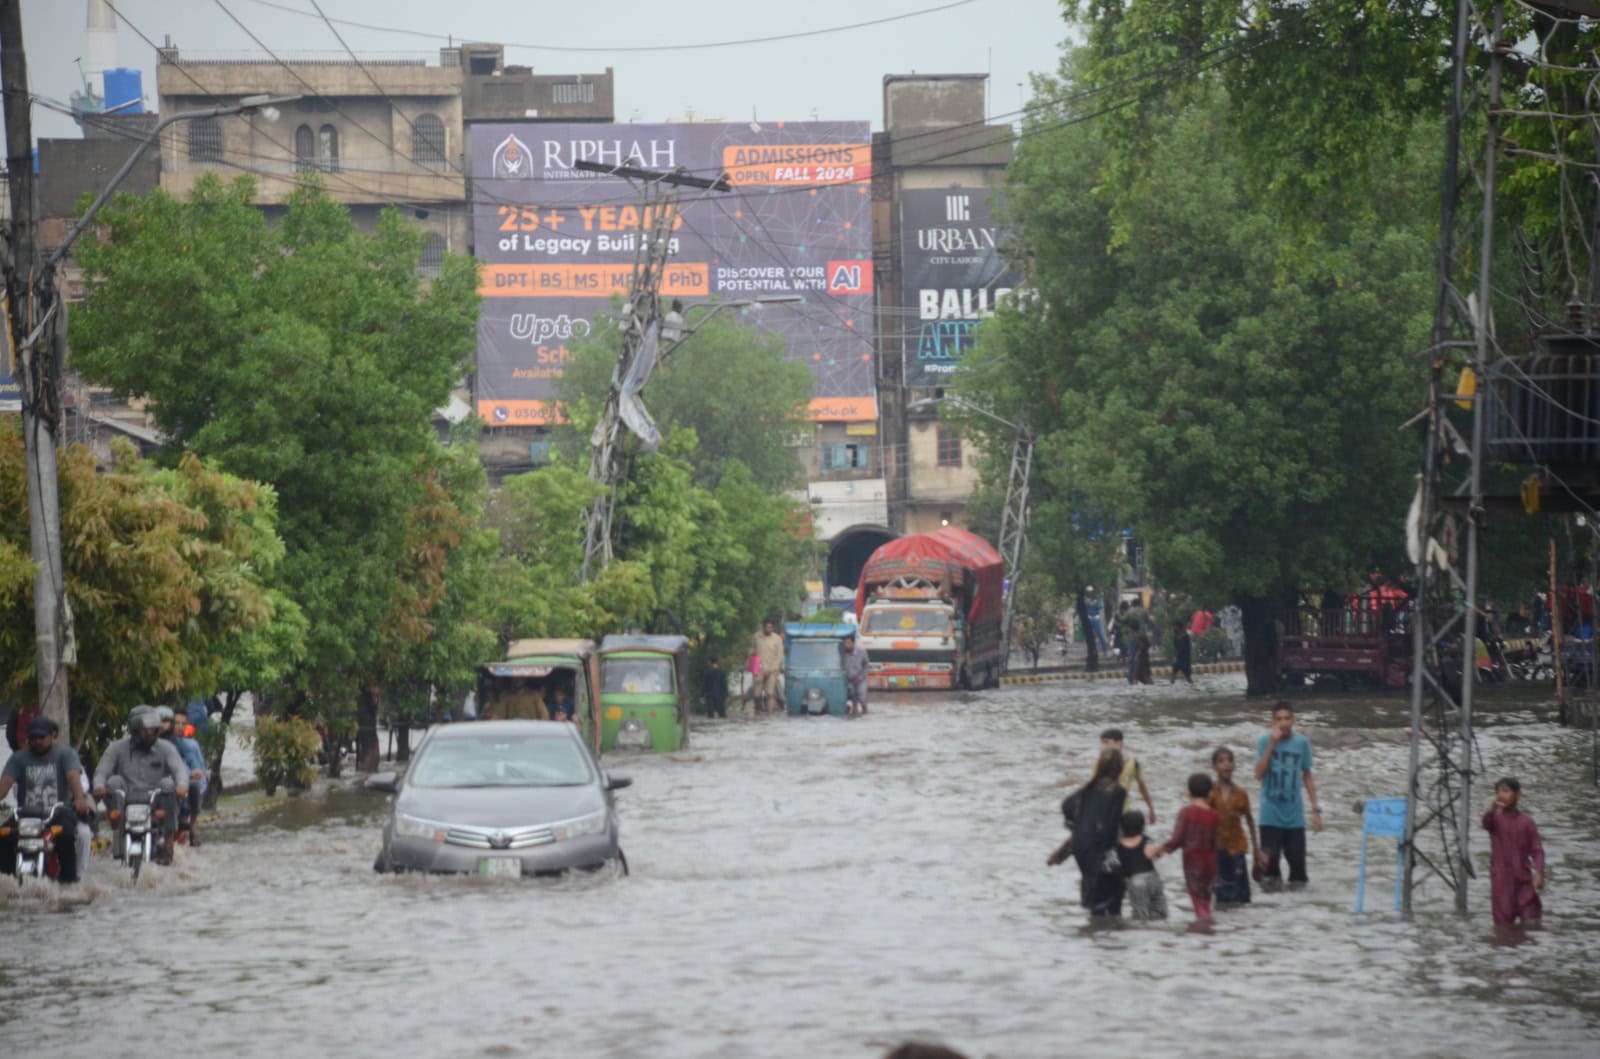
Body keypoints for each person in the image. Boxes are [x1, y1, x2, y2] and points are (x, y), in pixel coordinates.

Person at [94, 706, 190, 865]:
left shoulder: (166, 748)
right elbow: (102, 771)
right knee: (113, 782)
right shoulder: (116, 748)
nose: (149, 734)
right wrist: (99, 786)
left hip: (155, 800)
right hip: (126, 800)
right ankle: (117, 834)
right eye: (145, 731)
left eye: (153, 730)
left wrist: (182, 785)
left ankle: (168, 843)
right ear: (135, 730)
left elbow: (179, 770)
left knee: (168, 783)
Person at [0, 716, 93, 882]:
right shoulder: (18, 758)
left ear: (52, 736)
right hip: (26, 815)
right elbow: (5, 783)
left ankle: (68, 881)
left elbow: (73, 777)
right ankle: (7, 882)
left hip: (57, 813)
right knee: (4, 836)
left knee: (66, 835)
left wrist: (79, 799)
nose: (37, 741)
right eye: (33, 738)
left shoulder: (66, 754)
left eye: (41, 737)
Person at [1047, 749, 1128, 917]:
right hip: (1099, 846)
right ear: (1119, 768)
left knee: (1092, 888)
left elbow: (1066, 805)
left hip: (1081, 846)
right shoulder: (1118, 792)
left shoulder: (1086, 789)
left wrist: (1078, 824)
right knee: (1113, 893)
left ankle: (1093, 931)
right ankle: (1110, 932)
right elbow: (1112, 825)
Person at [1253, 701, 1321, 887]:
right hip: (1270, 816)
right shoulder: (1264, 741)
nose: (1283, 723)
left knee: (1298, 876)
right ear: (1272, 722)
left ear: (1293, 720)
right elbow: (1258, 774)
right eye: (1279, 719)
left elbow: (1307, 776)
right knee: (1270, 875)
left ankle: (1297, 913)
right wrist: (1272, 744)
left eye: (1287, 718)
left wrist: (1316, 810)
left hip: (1295, 817)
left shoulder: (1301, 743)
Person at [1156, 773, 1220, 919]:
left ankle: (1204, 929)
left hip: (1193, 863)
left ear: (1188, 792)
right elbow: (1216, 842)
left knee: (1198, 903)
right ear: (1210, 793)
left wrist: (1160, 850)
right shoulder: (1214, 815)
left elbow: (1176, 840)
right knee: (1206, 900)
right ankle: (1208, 930)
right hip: (1210, 862)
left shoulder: (1186, 813)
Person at [1483, 777, 1544, 927]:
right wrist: (1492, 807)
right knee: (1503, 930)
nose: (1501, 795)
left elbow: (1537, 849)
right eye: (1497, 792)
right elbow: (1485, 822)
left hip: (1523, 881)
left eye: (1505, 791)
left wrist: (1539, 872)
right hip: (1501, 883)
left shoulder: (1526, 822)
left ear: (1517, 795)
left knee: (1532, 923)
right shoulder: (1495, 820)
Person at [1208, 747, 1259, 905]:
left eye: (1230, 760)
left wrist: (1256, 850)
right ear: (1214, 767)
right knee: (1221, 894)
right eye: (1221, 761)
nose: (1227, 764)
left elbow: (1249, 821)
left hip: (1237, 849)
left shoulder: (1241, 793)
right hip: (1217, 849)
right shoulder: (1210, 792)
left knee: (1241, 896)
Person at [157, 706, 209, 847]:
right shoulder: (145, 741)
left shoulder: (181, 744)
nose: (165, 725)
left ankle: (189, 826)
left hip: (176, 785)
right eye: (176, 722)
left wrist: (194, 771)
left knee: (192, 786)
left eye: (182, 723)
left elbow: (193, 762)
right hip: (150, 784)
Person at [1111, 809, 1168, 921]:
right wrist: (1160, 851)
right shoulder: (1145, 840)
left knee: (1141, 916)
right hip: (1152, 878)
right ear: (1142, 826)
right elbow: (1151, 853)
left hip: (1135, 881)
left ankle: (1141, 935)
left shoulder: (1118, 845)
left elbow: (1114, 865)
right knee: (1161, 911)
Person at [1100, 728, 1156, 825]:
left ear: (1119, 743)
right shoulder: (1100, 763)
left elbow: (1142, 787)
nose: (1103, 746)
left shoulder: (1132, 763)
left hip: (1123, 812)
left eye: (1106, 742)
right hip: (1103, 814)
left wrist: (1151, 809)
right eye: (1102, 743)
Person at [751, 618, 785, 714]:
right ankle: (757, 711)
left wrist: (771, 670)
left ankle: (769, 715)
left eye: (771, 627)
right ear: (763, 627)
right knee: (756, 694)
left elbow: (779, 656)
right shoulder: (756, 637)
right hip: (758, 670)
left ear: (773, 628)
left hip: (772, 671)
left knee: (770, 694)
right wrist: (752, 653)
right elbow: (751, 649)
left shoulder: (777, 639)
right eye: (767, 627)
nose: (769, 629)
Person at [841, 632, 870, 717]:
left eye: (848, 643)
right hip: (849, 679)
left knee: (862, 696)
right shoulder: (842, 653)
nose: (847, 645)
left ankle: (865, 712)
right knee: (852, 696)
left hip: (860, 679)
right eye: (845, 643)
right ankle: (854, 712)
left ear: (853, 643)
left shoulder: (861, 652)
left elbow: (866, 665)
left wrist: (860, 678)